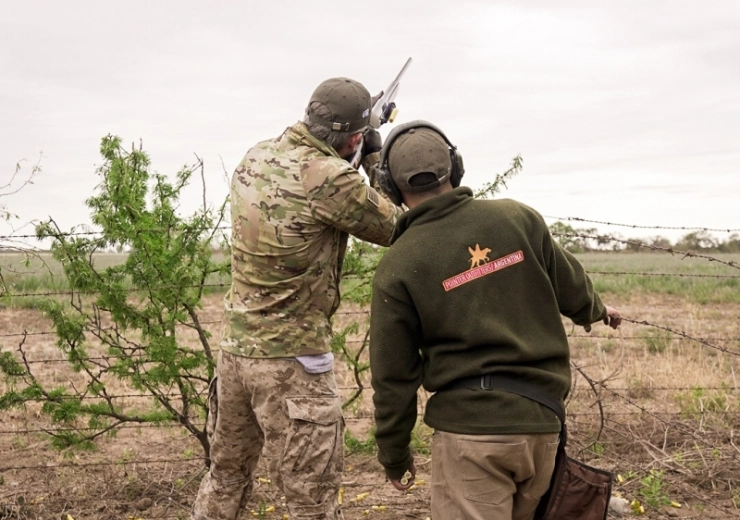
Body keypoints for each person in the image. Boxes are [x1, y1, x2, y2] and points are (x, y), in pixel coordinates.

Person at [368, 120, 622, 520]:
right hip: (542, 426)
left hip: (472, 436)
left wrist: (394, 455)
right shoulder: (518, 218)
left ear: (386, 184)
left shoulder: (398, 263)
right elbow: (572, 286)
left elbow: (393, 377)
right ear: (456, 167)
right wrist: (596, 310)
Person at [191, 77, 403, 520]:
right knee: (312, 502)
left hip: (235, 354)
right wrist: (375, 156)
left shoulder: (257, 154)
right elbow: (397, 228)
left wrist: (357, 145)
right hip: (293, 363)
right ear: (352, 138)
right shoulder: (329, 177)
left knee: (224, 478)